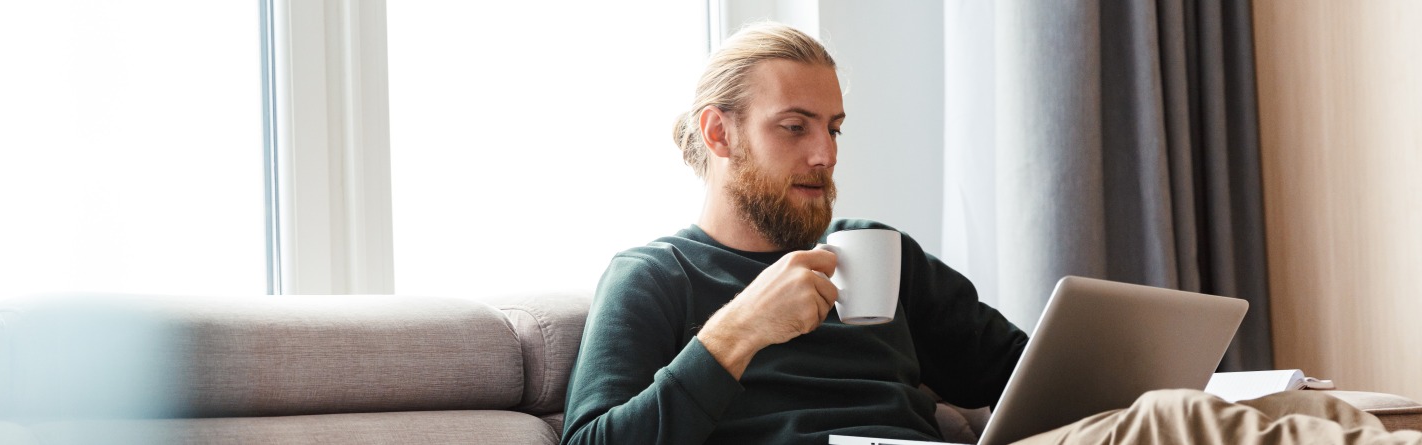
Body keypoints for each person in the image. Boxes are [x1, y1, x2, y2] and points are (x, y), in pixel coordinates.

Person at [561, 22, 1422, 445]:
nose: (825, 153)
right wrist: (737, 331)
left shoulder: (876, 248)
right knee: (1167, 421)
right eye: (795, 126)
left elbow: (1023, 376)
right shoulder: (656, 275)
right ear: (718, 134)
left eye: (835, 126)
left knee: (1274, 407)